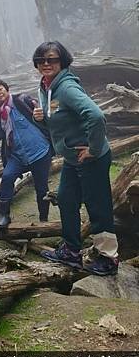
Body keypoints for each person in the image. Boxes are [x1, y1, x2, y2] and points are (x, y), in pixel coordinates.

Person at [31, 41, 118, 276]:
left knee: (97, 206)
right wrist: (42, 117)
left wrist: (93, 147)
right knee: (67, 200)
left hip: (92, 158)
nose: (46, 64)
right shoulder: (46, 87)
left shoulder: (66, 87)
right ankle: (71, 250)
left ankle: (108, 259)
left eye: (52, 59)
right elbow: (61, 117)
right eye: (41, 60)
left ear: (63, 61)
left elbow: (96, 116)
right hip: (72, 158)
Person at [0, 79, 52, 230]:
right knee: (7, 177)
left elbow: (40, 108)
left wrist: (39, 110)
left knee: (41, 187)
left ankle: (44, 219)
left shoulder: (22, 99)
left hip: (40, 151)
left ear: (6, 88)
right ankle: (4, 215)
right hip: (17, 155)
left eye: (0, 89)